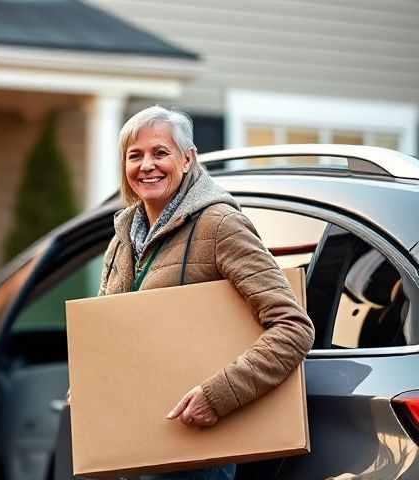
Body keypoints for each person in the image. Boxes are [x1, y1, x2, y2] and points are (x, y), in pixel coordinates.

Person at [85, 106, 315, 480]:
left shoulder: (219, 224)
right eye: (135, 155)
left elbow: (293, 328)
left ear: (188, 159)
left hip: (197, 453)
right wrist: (88, 380)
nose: (147, 165)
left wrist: (217, 396)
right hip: (133, 443)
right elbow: (107, 334)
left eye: (160, 153)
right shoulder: (123, 236)